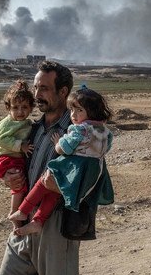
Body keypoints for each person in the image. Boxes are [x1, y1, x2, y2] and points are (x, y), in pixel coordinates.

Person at [0, 61, 113, 275]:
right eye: (36, 87)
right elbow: (12, 158)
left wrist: (64, 185)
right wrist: (7, 175)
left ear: (63, 92)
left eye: (44, 88)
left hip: (57, 223)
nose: (37, 94)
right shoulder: (33, 127)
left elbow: (94, 174)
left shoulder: (80, 130)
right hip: (25, 215)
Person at [9, 86, 113, 236]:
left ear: (91, 112)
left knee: (44, 181)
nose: (73, 115)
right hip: (93, 168)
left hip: (74, 166)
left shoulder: (80, 129)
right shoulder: (104, 130)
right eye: (72, 110)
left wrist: (59, 142)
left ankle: (23, 210)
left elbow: (64, 149)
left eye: (79, 110)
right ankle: (38, 221)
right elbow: (106, 148)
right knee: (54, 192)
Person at [0, 80, 34, 219]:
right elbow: (1, 140)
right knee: (18, 184)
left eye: (24, 107)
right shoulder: (6, 123)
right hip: (7, 159)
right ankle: (14, 212)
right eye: (15, 107)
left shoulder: (26, 123)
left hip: (15, 158)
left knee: (22, 185)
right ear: (8, 108)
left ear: (31, 108)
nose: (20, 111)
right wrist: (21, 146)